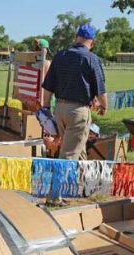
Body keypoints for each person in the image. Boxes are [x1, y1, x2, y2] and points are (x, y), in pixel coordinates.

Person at [41, 23, 108, 161]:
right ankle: (60, 182)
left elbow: (48, 87)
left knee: (78, 149)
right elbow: (101, 91)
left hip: (60, 110)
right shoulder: (92, 59)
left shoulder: (60, 56)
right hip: (78, 112)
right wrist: (104, 106)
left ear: (76, 38)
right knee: (68, 156)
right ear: (93, 42)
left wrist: (46, 107)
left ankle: (84, 181)